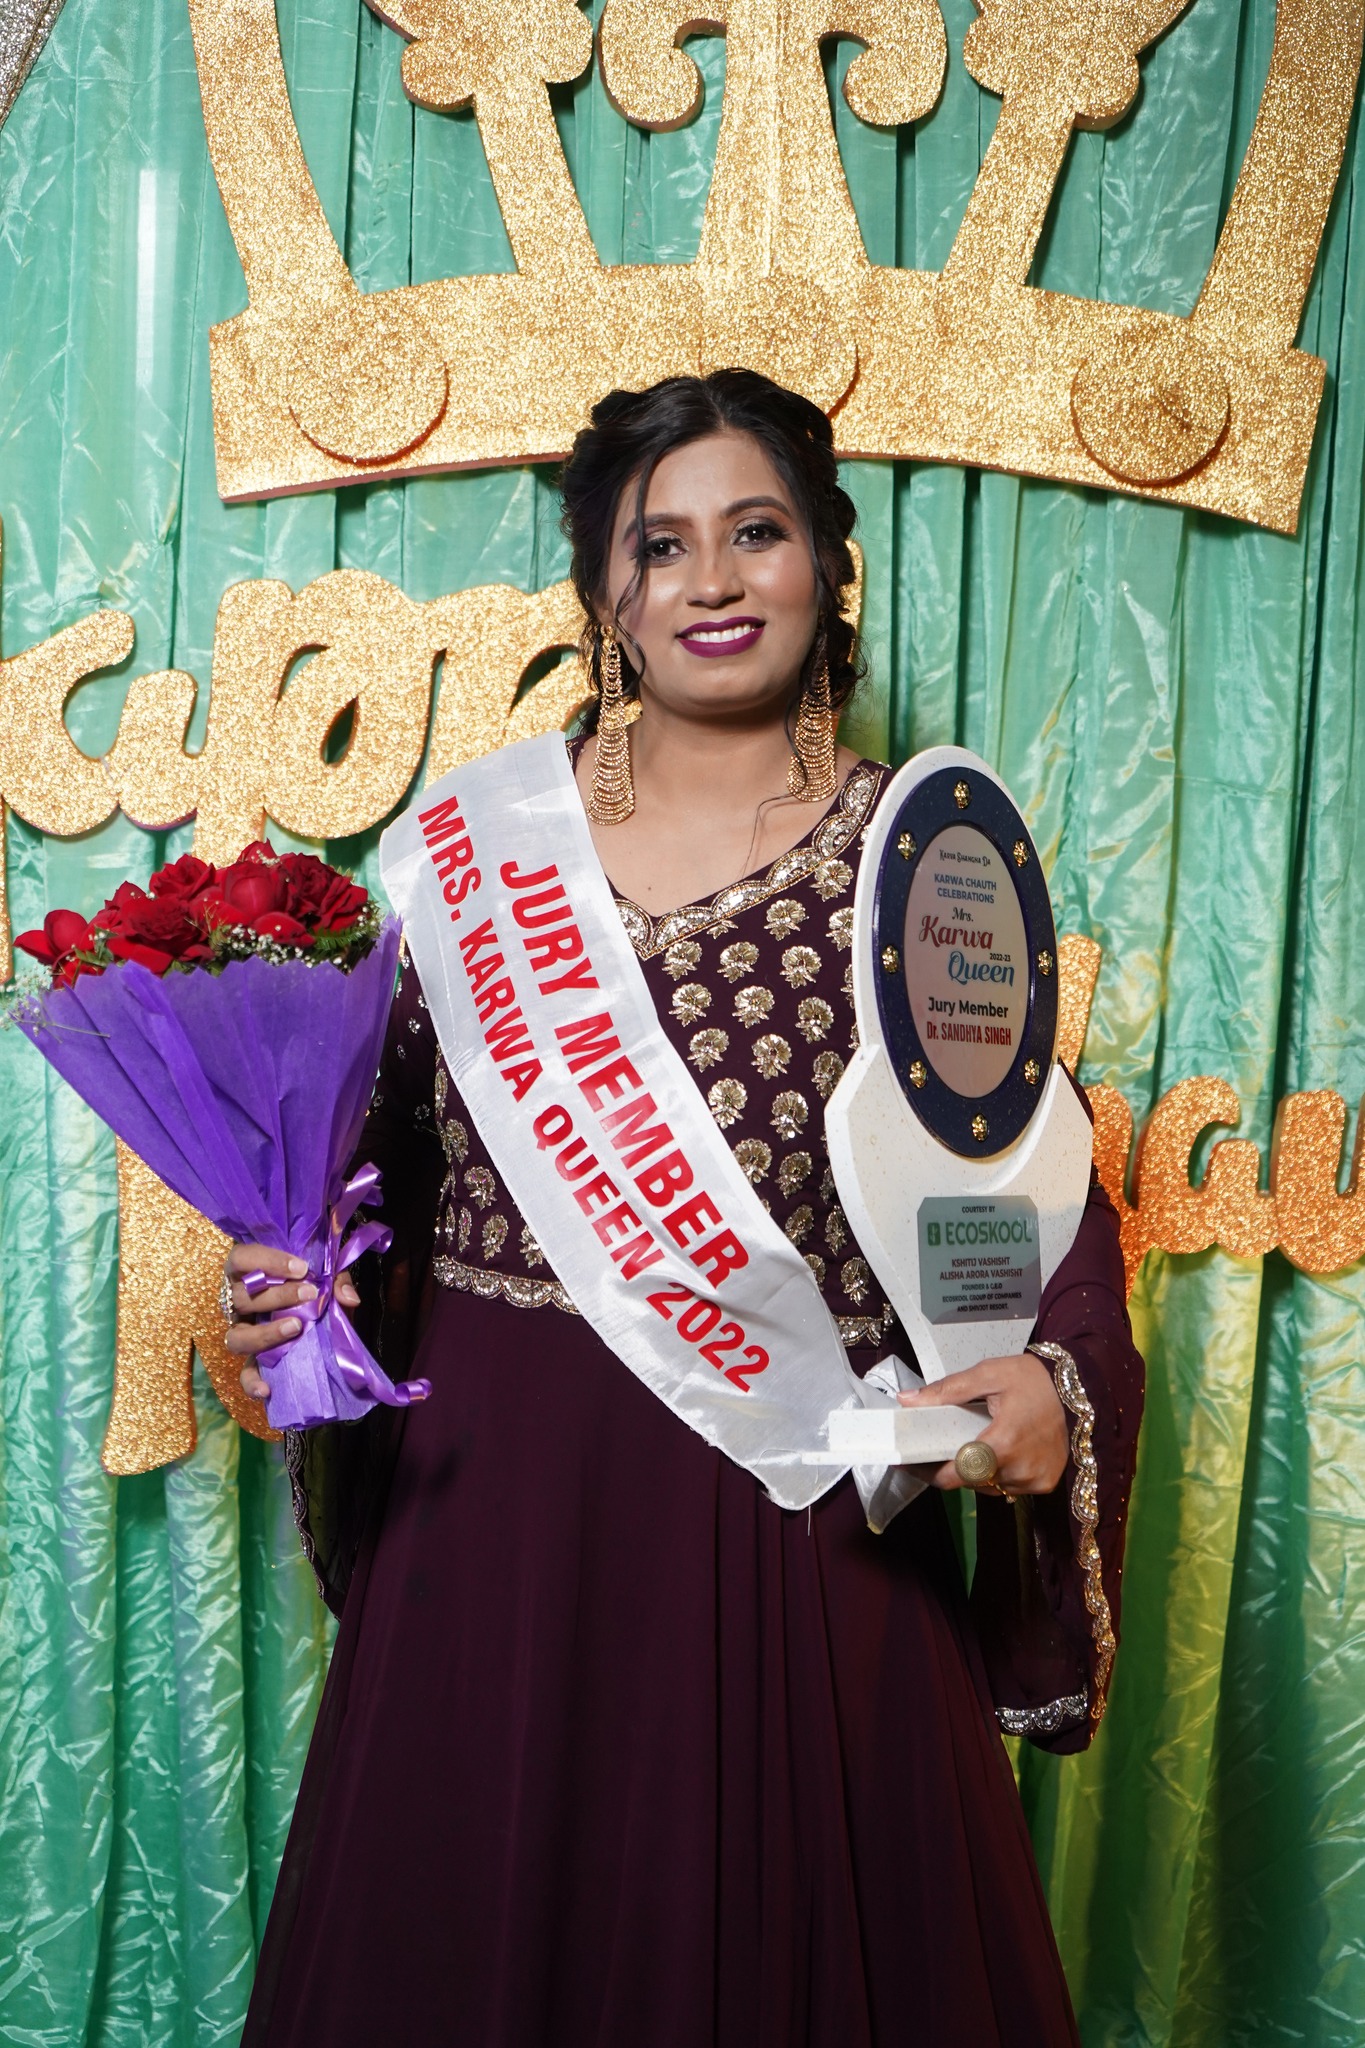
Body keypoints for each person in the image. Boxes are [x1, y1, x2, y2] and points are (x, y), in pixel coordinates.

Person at [229, 371, 1143, 2047]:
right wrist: (305, 1287)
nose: (711, 580)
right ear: (605, 593)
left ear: (825, 568)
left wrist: (1051, 1383)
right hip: (498, 1522)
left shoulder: (918, 855)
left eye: (757, 532)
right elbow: (378, 1181)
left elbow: (1025, 1179)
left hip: (796, 1509)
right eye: (660, 545)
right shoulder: (478, 855)